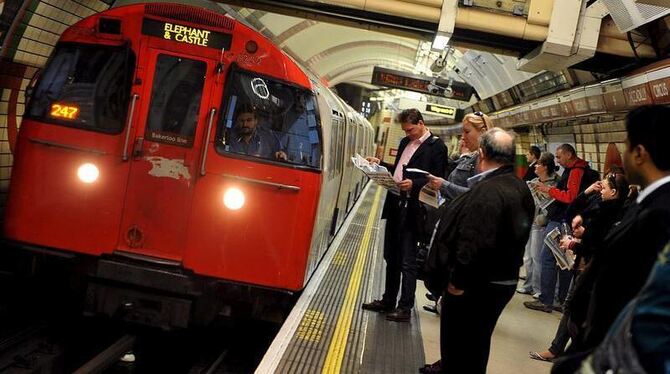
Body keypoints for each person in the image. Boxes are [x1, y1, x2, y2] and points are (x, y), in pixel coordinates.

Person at [552, 105, 670, 373]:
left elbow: (632, 297)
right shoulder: (645, 204)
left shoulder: (659, 215)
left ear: (639, 153)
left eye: (627, 146)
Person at [423, 128, 535, 374]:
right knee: (476, 346)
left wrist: (457, 282)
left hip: (475, 286)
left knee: (458, 350)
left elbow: (474, 241)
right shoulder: (519, 187)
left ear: (481, 154)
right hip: (501, 281)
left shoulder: (489, 192)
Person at [529, 169, 630, 363]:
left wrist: (575, 243)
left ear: (614, 192)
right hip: (585, 264)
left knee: (577, 310)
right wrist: (587, 193)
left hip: (593, 268)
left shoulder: (614, 214)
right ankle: (561, 350)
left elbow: (601, 244)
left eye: (605, 187)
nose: (601, 189)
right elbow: (573, 210)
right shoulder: (602, 205)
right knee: (573, 307)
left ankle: (569, 352)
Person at [361, 108, 448, 323]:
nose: (408, 134)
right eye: (406, 131)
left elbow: (439, 179)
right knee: (391, 256)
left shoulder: (436, 147)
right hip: (395, 203)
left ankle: (405, 307)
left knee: (408, 260)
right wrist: (380, 165)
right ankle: (388, 300)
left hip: (415, 209)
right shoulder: (404, 143)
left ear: (421, 123)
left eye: (411, 130)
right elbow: (400, 169)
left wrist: (415, 184)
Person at [422, 111, 494, 315]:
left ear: (483, 132)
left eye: (466, 132)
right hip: (451, 221)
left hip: (462, 230)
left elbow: (476, 197)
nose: (462, 137)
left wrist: (443, 185)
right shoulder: (470, 158)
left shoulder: (484, 163)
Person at [524, 144, 589, 313]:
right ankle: (560, 300)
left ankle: (547, 300)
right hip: (565, 219)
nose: (557, 160)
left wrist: (550, 191)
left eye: (559, 157)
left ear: (568, 154)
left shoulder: (575, 171)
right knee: (564, 261)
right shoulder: (577, 169)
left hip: (562, 219)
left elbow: (570, 197)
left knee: (548, 258)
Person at [517, 152, 559, 297]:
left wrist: (543, 218)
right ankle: (528, 285)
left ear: (545, 167)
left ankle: (538, 288)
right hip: (529, 221)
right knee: (527, 256)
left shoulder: (554, 184)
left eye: (539, 164)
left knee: (537, 257)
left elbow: (555, 205)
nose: (535, 165)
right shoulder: (534, 181)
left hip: (540, 223)